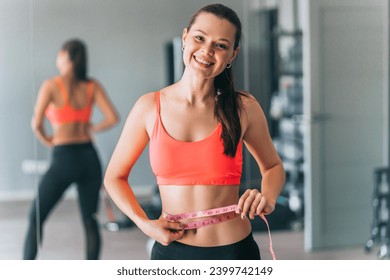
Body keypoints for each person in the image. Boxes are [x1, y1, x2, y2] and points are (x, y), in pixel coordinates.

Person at [104, 3, 285, 260]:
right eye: (200, 38)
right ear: (185, 37)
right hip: (170, 253)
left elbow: (273, 167)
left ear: (233, 55)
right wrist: (144, 224)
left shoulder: (244, 108)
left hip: (234, 252)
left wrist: (268, 195)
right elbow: (114, 177)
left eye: (221, 45)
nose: (207, 51)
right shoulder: (148, 107)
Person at [23, 39, 119, 259]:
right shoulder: (91, 86)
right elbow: (113, 117)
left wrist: (49, 141)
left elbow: (36, 124)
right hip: (88, 157)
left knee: (35, 217)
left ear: (66, 56)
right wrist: (91, 126)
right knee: (90, 220)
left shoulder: (51, 85)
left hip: (64, 157)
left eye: (59, 54)